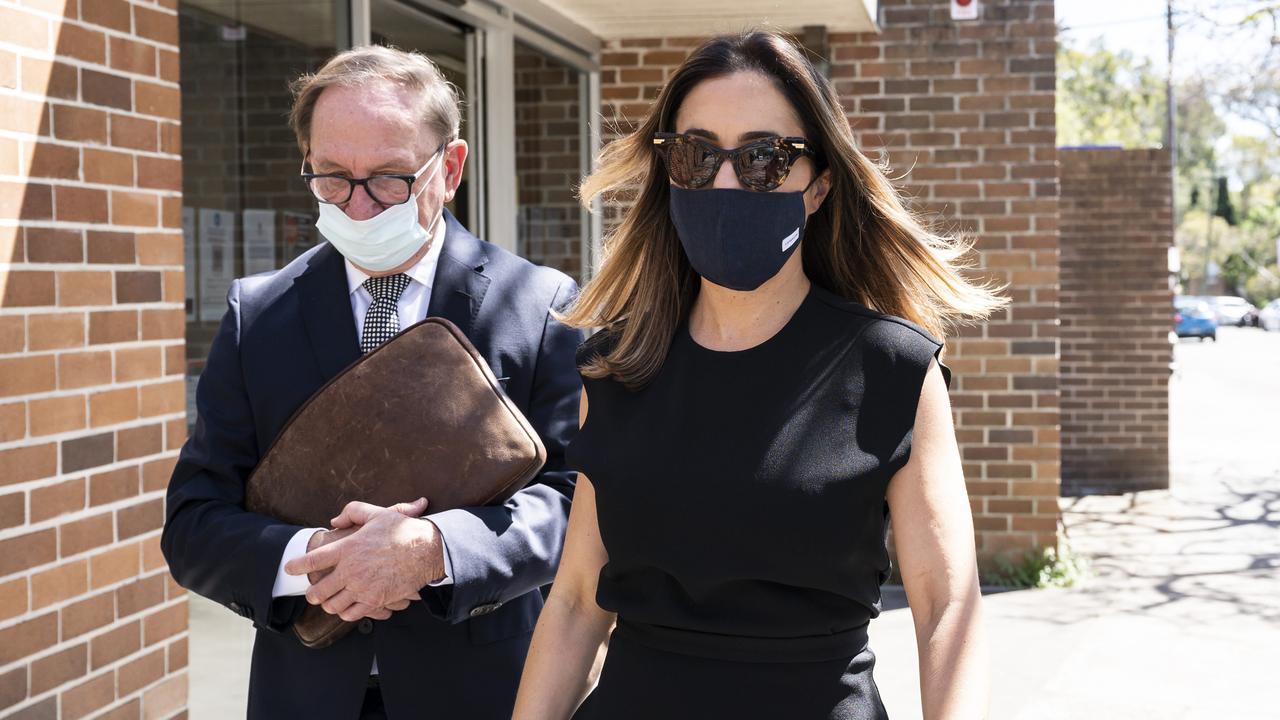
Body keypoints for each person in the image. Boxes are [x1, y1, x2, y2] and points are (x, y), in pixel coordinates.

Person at [512, 31, 999, 720]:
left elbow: (947, 607)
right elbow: (573, 603)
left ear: (819, 185)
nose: (727, 182)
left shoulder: (892, 368)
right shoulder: (617, 368)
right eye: (698, 154)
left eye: (765, 159)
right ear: (670, 171)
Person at [161, 45, 583, 719]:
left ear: (449, 168)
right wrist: (318, 557)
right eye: (331, 177)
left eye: (388, 179)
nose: (357, 208)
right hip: (305, 693)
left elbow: (576, 505)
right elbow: (193, 525)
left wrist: (435, 551)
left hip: (479, 691)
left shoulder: (541, 306)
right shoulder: (258, 315)